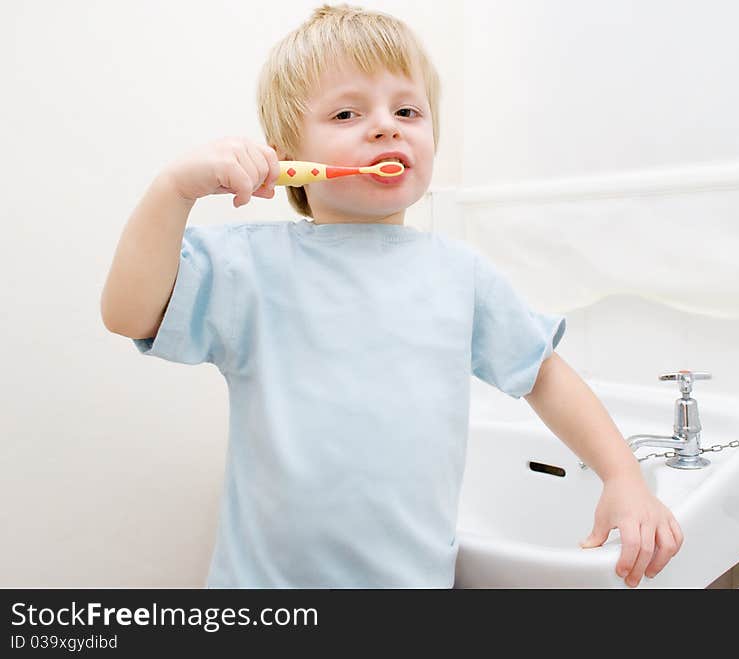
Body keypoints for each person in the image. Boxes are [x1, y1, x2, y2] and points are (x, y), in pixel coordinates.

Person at [100, 3, 682, 589]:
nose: (386, 126)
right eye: (348, 112)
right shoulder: (250, 266)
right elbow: (128, 314)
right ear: (287, 158)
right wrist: (172, 191)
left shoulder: (460, 275)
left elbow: (544, 374)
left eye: (407, 110)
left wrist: (622, 477)